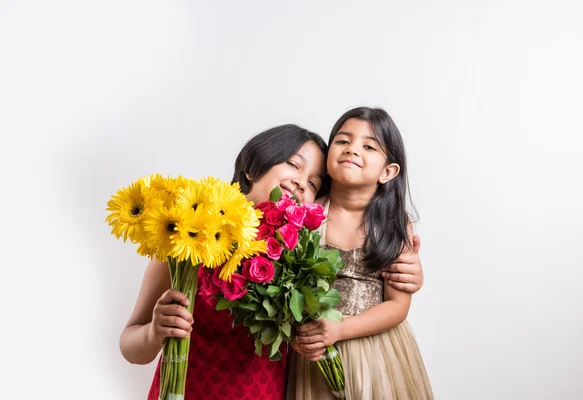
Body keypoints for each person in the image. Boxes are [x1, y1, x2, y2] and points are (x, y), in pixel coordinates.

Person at [119, 123, 425, 400]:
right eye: (293, 164)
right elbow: (131, 347)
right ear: (252, 167)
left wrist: (410, 271)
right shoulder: (187, 240)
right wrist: (154, 332)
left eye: (315, 183)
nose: (302, 183)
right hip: (185, 390)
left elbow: (356, 265)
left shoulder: (301, 255)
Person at [287, 107, 434, 399]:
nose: (352, 149)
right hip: (315, 353)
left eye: (368, 146)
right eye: (342, 141)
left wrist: (340, 330)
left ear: (387, 172)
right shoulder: (306, 214)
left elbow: (397, 306)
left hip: (376, 351)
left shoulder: (392, 224)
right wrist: (296, 337)